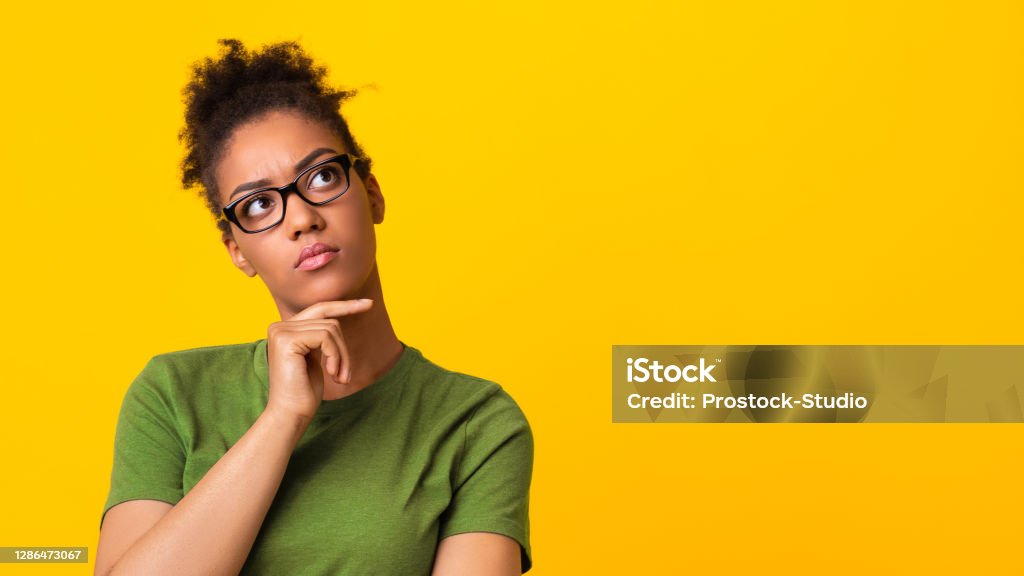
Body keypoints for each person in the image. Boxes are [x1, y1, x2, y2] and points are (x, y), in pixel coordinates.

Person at [95, 38, 534, 576]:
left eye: (322, 176)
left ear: (371, 193)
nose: (300, 217)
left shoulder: (475, 423)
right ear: (237, 250)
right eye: (258, 205)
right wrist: (283, 419)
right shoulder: (172, 394)